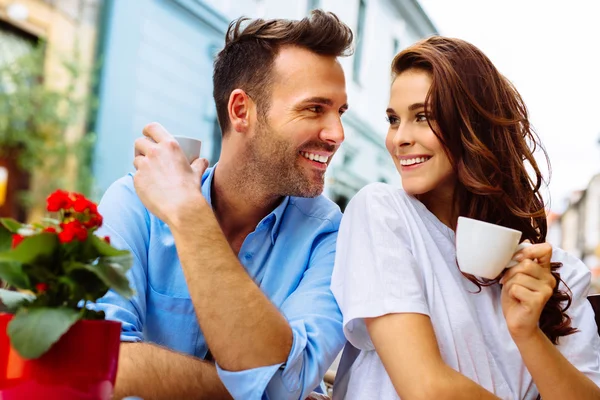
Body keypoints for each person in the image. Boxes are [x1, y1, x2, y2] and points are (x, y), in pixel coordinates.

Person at [95, 10, 352, 400]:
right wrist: (255, 385)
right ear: (240, 110)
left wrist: (189, 217)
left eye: (339, 112)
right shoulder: (133, 202)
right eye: (315, 108)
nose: (337, 134)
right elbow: (101, 362)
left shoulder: (330, 234)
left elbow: (287, 384)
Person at [331, 36, 600, 400]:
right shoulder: (382, 213)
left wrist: (528, 333)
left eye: (423, 117)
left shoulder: (558, 274)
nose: (399, 138)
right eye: (394, 120)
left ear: (474, 127)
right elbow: (425, 388)